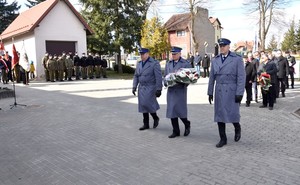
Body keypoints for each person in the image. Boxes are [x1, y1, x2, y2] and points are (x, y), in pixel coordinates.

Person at [207, 38, 246, 148]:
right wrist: (210, 92)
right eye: (220, 46)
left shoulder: (237, 59)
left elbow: (241, 77)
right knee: (220, 115)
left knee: (232, 114)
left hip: (231, 90)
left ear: (229, 46)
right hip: (219, 90)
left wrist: (240, 93)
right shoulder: (215, 60)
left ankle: (237, 127)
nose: (222, 48)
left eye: (224, 46)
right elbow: (211, 78)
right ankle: (223, 138)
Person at [164, 46, 192, 138]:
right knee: (172, 111)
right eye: (172, 54)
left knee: (180, 110)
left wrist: (183, 83)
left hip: (180, 90)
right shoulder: (168, 63)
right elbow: (165, 76)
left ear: (180, 54)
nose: (173, 55)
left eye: (175, 54)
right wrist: (165, 82)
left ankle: (186, 123)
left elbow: (190, 77)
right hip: (171, 90)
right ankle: (175, 131)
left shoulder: (185, 63)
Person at [132, 48, 162, 131]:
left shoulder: (154, 63)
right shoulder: (139, 63)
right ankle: (146, 124)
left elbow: (158, 77)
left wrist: (159, 89)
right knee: (143, 105)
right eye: (140, 54)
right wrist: (134, 86)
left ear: (148, 54)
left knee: (148, 104)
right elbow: (136, 76)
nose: (141, 56)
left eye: (143, 54)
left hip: (150, 87)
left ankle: (155, 117)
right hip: (141, 87)